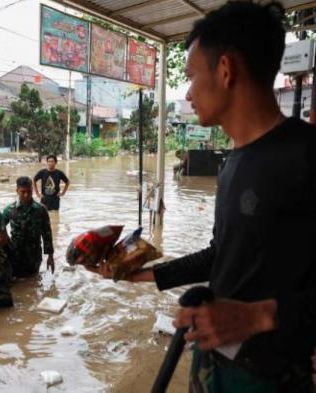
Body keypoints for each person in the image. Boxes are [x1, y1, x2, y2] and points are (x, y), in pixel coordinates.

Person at [109, 2, 316, 390]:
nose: (187, 93)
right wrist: (141, 273)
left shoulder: (306, 156)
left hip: (271, 377)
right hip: (212, 366)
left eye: (190, 76)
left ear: (225, 70)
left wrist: (260, 316)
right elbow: (222, 254)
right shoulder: (233, 162)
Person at [3, 177, 54, 277]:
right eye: (23, 192)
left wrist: (50, 257)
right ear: (17, 191)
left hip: (34, 256)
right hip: (15, 254)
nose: (26, 195)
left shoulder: (41, 209)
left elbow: (47, 233)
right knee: (17, 282)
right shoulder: (9, 210)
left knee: (33, 281)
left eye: (29, 191)